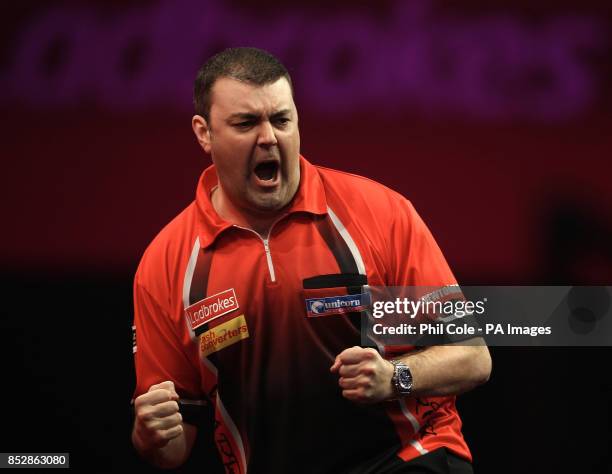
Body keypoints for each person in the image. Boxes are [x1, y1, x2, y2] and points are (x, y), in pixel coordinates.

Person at [131, 47, 491, 473]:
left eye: (281, 120)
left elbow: (473, 356)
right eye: (246, 123)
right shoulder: (165, 265)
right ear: (203, 133)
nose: (269, 138)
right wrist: (148, 434)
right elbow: (172, 448)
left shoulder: (380, 213)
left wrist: (395, 378)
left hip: (407, 457)